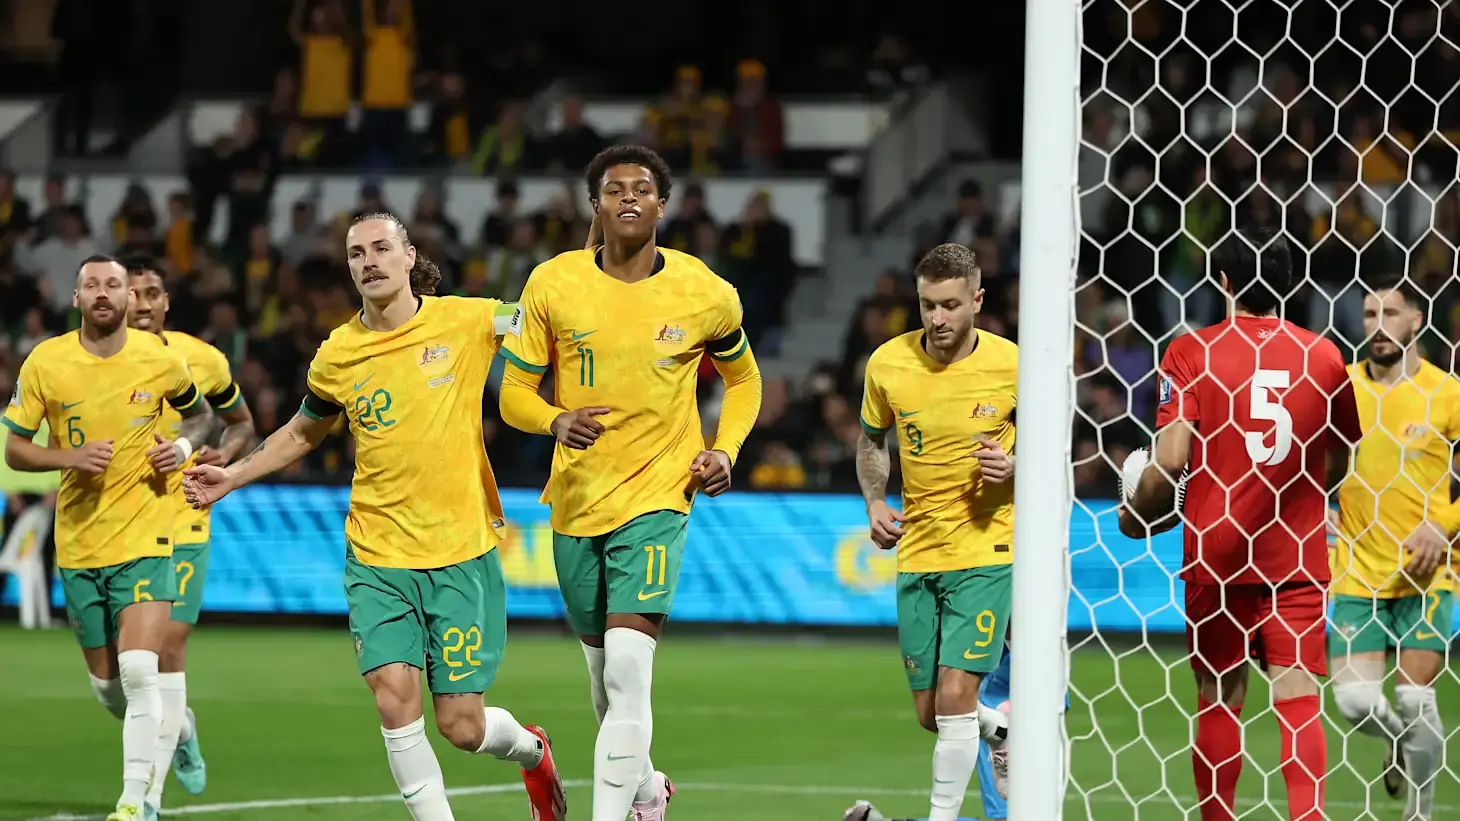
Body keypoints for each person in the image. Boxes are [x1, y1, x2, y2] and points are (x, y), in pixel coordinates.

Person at [180, 214, 566, 821]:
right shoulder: (338, 353)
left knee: (461, 726)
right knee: (393, 701)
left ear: (410, 257)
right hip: (376, 556)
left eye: (382, 248)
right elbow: (304, 432)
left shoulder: (468, 319)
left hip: (459, 553)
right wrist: (234, 475)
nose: (369, 261)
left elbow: (547, 318)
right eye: (357, 253)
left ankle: (531, 751)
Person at [497, 144, 763, 821]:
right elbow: (514, 394)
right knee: (602, 680)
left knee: (626, 668)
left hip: (658, 497)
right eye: (614, 188)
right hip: (578, 498)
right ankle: (647, 790)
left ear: (662, 205)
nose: (628, 197)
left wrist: (724, 447)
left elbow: (745, 379)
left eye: (642, 188)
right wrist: (554, 421)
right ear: (596, 207)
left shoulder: (704, 292)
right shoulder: (553, 283)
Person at [1118, 227, 1363, 821]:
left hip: (1217, 554)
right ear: (1289, 285)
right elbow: (1343, 456)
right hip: (1296, 556)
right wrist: (1301, 491)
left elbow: (1171, 460)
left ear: (1222, 281)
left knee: (1220, 698)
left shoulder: (1190, 351)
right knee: (1299, 700)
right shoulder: (1324, 355)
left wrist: (1138, 513)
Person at [3, 255, 214, 821]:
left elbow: (201, 417)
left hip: (148, 533)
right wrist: (68, 457)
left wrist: (184, 449)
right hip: (79, 542)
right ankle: (181, 725)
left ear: (130, 299)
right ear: (76, 299)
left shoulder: (158, 359)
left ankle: (135, 799)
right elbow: (15, 447)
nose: (103, 292)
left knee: (142, 669)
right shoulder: (46, 362)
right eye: (91, 284)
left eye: (114, 285)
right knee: (108, 689)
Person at [855, 243, 1017, 821]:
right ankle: (1002, 732)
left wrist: (1018, 469)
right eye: (928, 305)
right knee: (933, 713)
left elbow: (1056, 450)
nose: (938, 319)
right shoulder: (888, 363)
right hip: (918, 551)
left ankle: (940, 818)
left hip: (988, 547)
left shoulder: (1013, 364)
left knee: (954, 700)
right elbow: (872, 440)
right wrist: (875, 499)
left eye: (950, 305)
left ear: (977, 299)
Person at [123, 259, 258, 806]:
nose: (142, 303)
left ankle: (146, 798)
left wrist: (223, 453)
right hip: (118, 526)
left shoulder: (203, 360)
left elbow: (242, 422)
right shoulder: (88, 360)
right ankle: (179, 728)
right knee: (121, 679)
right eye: (131, 293)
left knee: (166, 651)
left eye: (152, 292)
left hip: (183, 517)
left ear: (166, 301)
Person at [1328, 277, 1459, 821]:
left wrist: (1444, 527)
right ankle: (1403, 742)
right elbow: (1311, 460)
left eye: (1391, 313)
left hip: (1429, 571)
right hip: (1357, 565)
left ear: (1417, 323)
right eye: (1368, 314)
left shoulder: (1448, 392)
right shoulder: (1341, 388)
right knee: (1354, 703)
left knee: (1413, 696)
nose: (1377, 325)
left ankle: (1420, 815)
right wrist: (1315, 506)